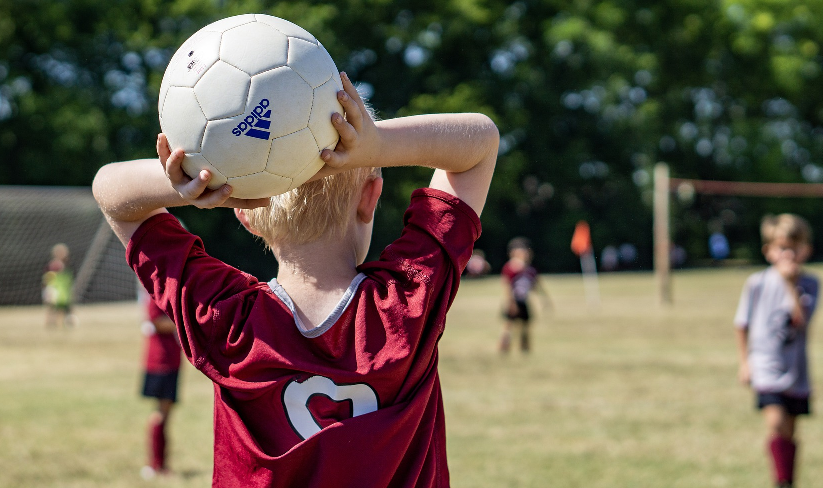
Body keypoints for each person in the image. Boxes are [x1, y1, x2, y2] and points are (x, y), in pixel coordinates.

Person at [92, 72, 499, 487]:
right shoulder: (407, 302)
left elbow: (110, 190)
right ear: (370, 196)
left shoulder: (225, 318)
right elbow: (479, 141)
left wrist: (201, 178)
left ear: (244, 215)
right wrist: (376, 145)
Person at [734, 214, 820, 488]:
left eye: (795, 248)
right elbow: (741, 324)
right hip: (765, 363)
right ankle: (781, 482)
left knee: (790, 431)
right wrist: (744, 362)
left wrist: (790, 284)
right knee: (776, 422)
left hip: (795, 367)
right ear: (769, 251)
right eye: (782, 248)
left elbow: (801, 320)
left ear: (806, 249)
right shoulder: (756, 283)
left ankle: (786, 479)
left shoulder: (811, 284)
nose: (788, 254)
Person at [139, 290, 182, 479]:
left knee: (165, 413)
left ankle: (160, 464)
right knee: (160, 414)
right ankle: (156, 465)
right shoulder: (154, 292)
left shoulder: (167, 290)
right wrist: (182, 323)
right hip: (161, 362)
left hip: (170, 361)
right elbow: (156, 321)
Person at [499, 237, 549, 353]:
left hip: (523, 301)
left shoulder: (530, 269)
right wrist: (510, 302)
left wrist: (545, 300)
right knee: (508, 325)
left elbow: (536, 286)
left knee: (526, 325)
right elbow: (506, 286)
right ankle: (504, 347)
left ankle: (524, 348)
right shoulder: (511, 268)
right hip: (513, 301)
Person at [42, 243, 74, 327]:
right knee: (52, 306)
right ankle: (50, 323)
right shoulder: (54, 264)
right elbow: (48, 278)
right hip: (54, 288)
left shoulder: (67, 264)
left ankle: (67, 321)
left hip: (63, 289)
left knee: (65, 306)